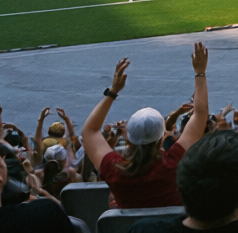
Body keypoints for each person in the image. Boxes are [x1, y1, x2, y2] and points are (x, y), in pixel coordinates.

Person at [82, 48, 210, 208]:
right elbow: (201, 113)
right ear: (162, 137)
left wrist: (113, 91)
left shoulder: (115, 169)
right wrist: (200, 73)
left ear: (128, 137)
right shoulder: (174, 163)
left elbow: (90, 130)